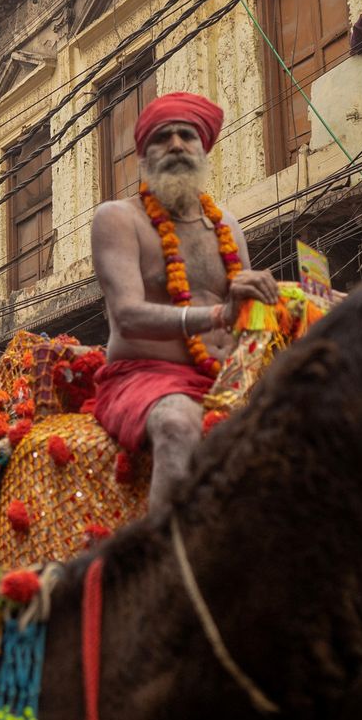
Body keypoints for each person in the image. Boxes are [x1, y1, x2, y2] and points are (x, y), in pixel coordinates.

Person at [90, 92, 279, 510]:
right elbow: (127, 317)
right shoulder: (118, 218)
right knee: (177, 424)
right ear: (144, 155)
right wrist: (217, 314)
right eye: (162, 137)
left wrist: (304, 301)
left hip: (227, 379)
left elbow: (249, 311)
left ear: (203, 147)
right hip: (144, 377)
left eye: (186, 135)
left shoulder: (226, 224)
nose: (176, 145)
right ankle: (166, 569)